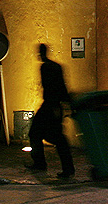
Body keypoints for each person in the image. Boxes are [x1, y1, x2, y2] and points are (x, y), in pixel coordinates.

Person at [27, 43, 75, 178]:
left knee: (37, 134)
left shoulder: (45, 68)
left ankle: (41, 163)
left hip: (49, 105)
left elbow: (49, 88)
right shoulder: (57, 67)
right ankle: (67, 167)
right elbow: (62, 87)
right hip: (55, 105)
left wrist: (54, 105)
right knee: (56, 137)